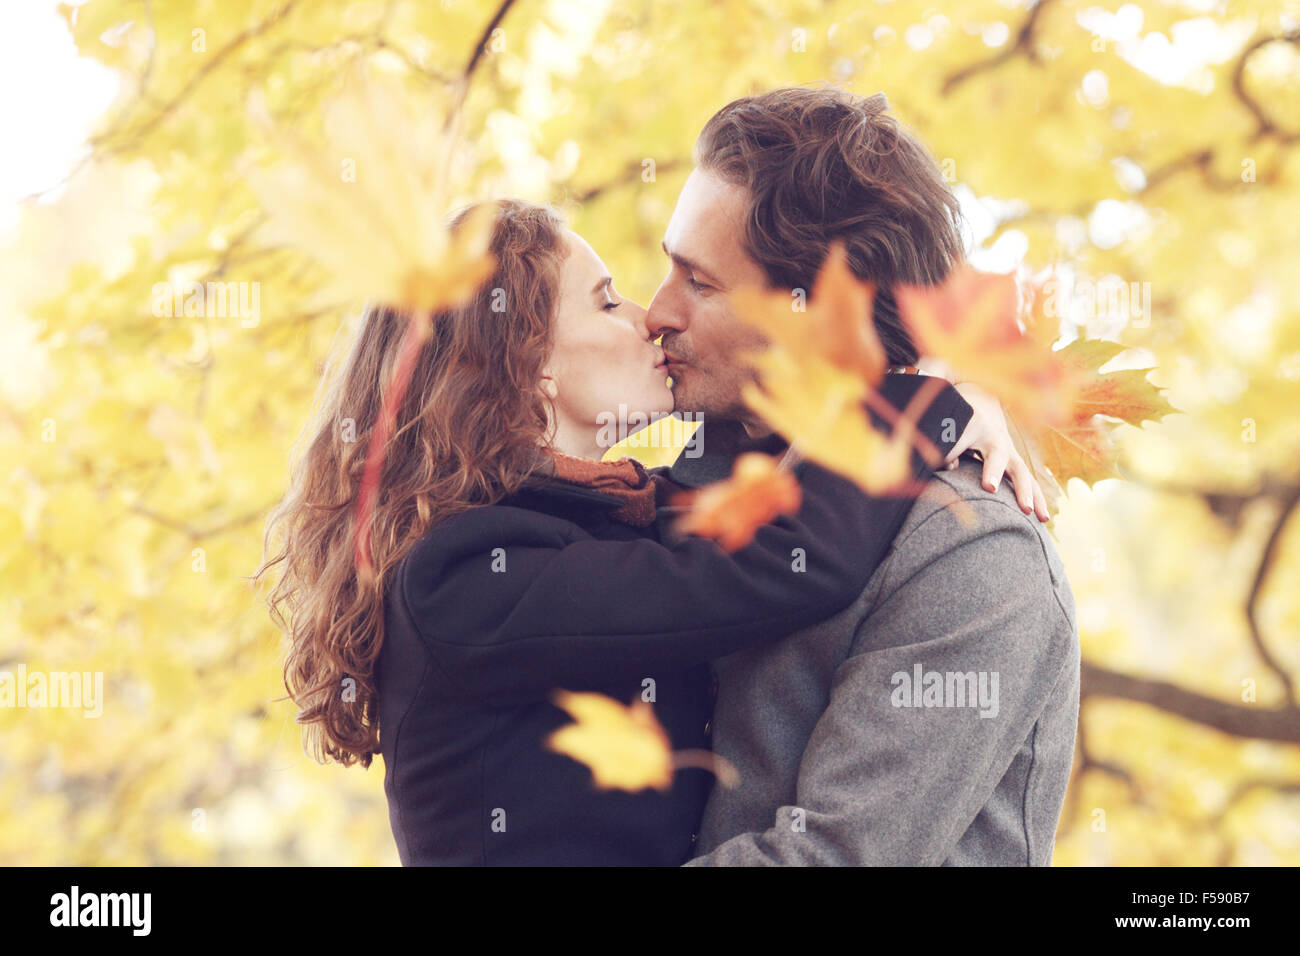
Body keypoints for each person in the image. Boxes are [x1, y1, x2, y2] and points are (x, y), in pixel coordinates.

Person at [256, 197, 1033, 865]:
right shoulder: (467, 575)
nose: (649, 319)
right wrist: (919, 404)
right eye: (606, 302)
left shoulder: (585, 520)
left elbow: (747, 501)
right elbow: (779, 566)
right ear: (530, 369)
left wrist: (956, 394)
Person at [639, 86, 1080, 865]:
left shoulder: (970, 555)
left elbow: (832, 858)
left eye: (699, 284)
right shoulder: (696, 486)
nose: (655, 311)